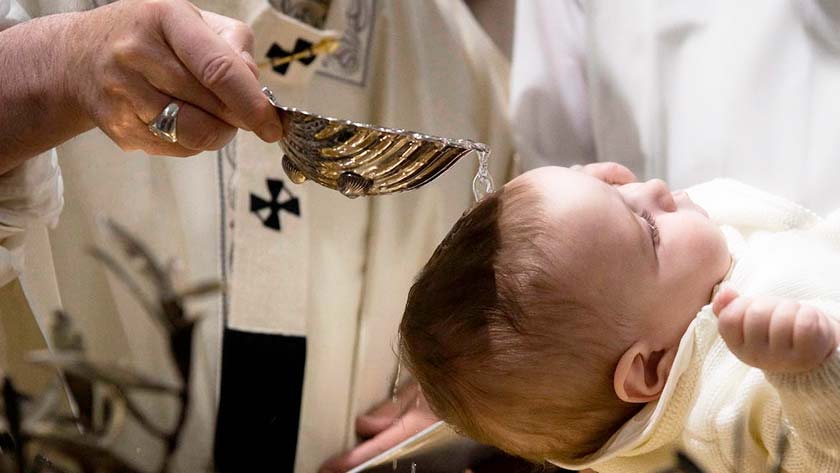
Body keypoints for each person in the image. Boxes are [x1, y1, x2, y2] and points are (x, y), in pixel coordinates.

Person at [399, 162, 840, 472]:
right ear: (648, 366)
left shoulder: (676, 297)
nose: (656, 187)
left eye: (612, 188)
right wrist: (814, 378)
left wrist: (590, 200)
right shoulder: (722, 412)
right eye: (648, 228)